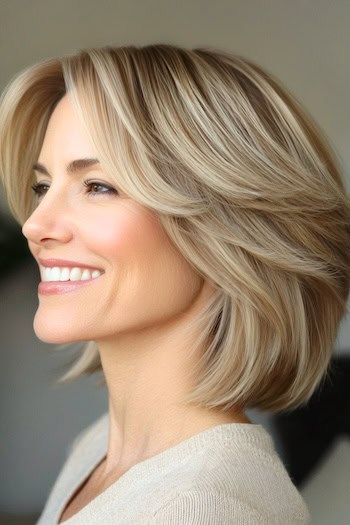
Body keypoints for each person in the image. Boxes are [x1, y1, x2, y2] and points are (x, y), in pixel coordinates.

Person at [0, 44, 349, 525]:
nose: (36, 224)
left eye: (98, 186)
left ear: (224, 227)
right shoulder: (99, 450)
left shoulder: (201, 508)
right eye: (43, 186)